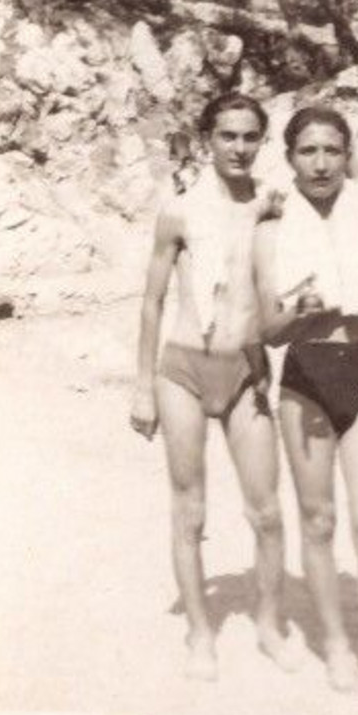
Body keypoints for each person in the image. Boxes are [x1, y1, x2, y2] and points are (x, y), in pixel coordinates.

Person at [252, 105, 358, 715]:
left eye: (333, 151)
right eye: (308, 152)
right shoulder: (270, 224)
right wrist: (301, 311)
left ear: (349, 155)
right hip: (305, 378)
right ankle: (338, 646)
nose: (321, 163)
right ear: (289, 157)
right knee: (317, 522)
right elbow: (268, 329)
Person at [130, 92, 295, 681]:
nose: (239, 148)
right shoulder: (179, 210)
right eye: (228, 136)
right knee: (190, 511)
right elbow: (151, 302)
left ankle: (271, 625)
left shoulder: (273, 209)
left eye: (251, 137)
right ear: (208, 139)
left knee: (268, 511)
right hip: (183, 368)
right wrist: (143, 387)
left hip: (244, 370)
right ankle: (201, 634)